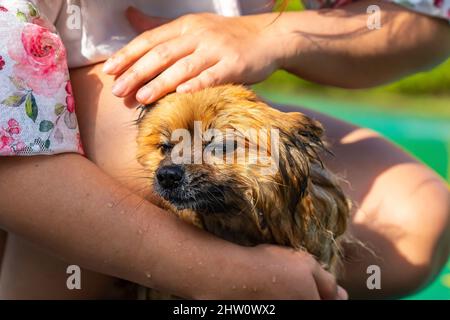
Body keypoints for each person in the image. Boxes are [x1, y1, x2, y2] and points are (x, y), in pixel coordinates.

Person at [0, 0, 448, 299]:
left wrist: (275, 35)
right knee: (135, 165)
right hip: (38, 104)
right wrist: (216, 273)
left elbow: (426, 21)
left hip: (215, 104)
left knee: (415, 217)